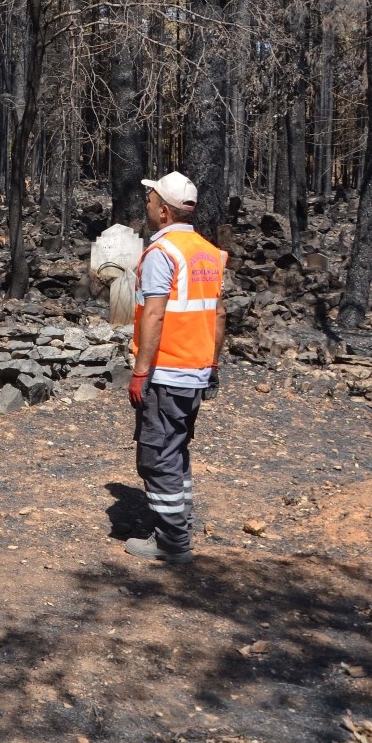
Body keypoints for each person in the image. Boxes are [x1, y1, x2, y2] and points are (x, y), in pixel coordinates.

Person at [126, 170, 227, 564]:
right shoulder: (208, 252)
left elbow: (154, 316)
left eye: (151, 201)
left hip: (166, 372)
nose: (147, 204)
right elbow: (218, 315)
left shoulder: (163, 253)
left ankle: (171, 542)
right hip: (196, 370)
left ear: (164, 212)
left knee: (157, 455)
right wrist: (212, 364)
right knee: (177, 450)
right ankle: (177, 526)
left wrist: (140, 371)